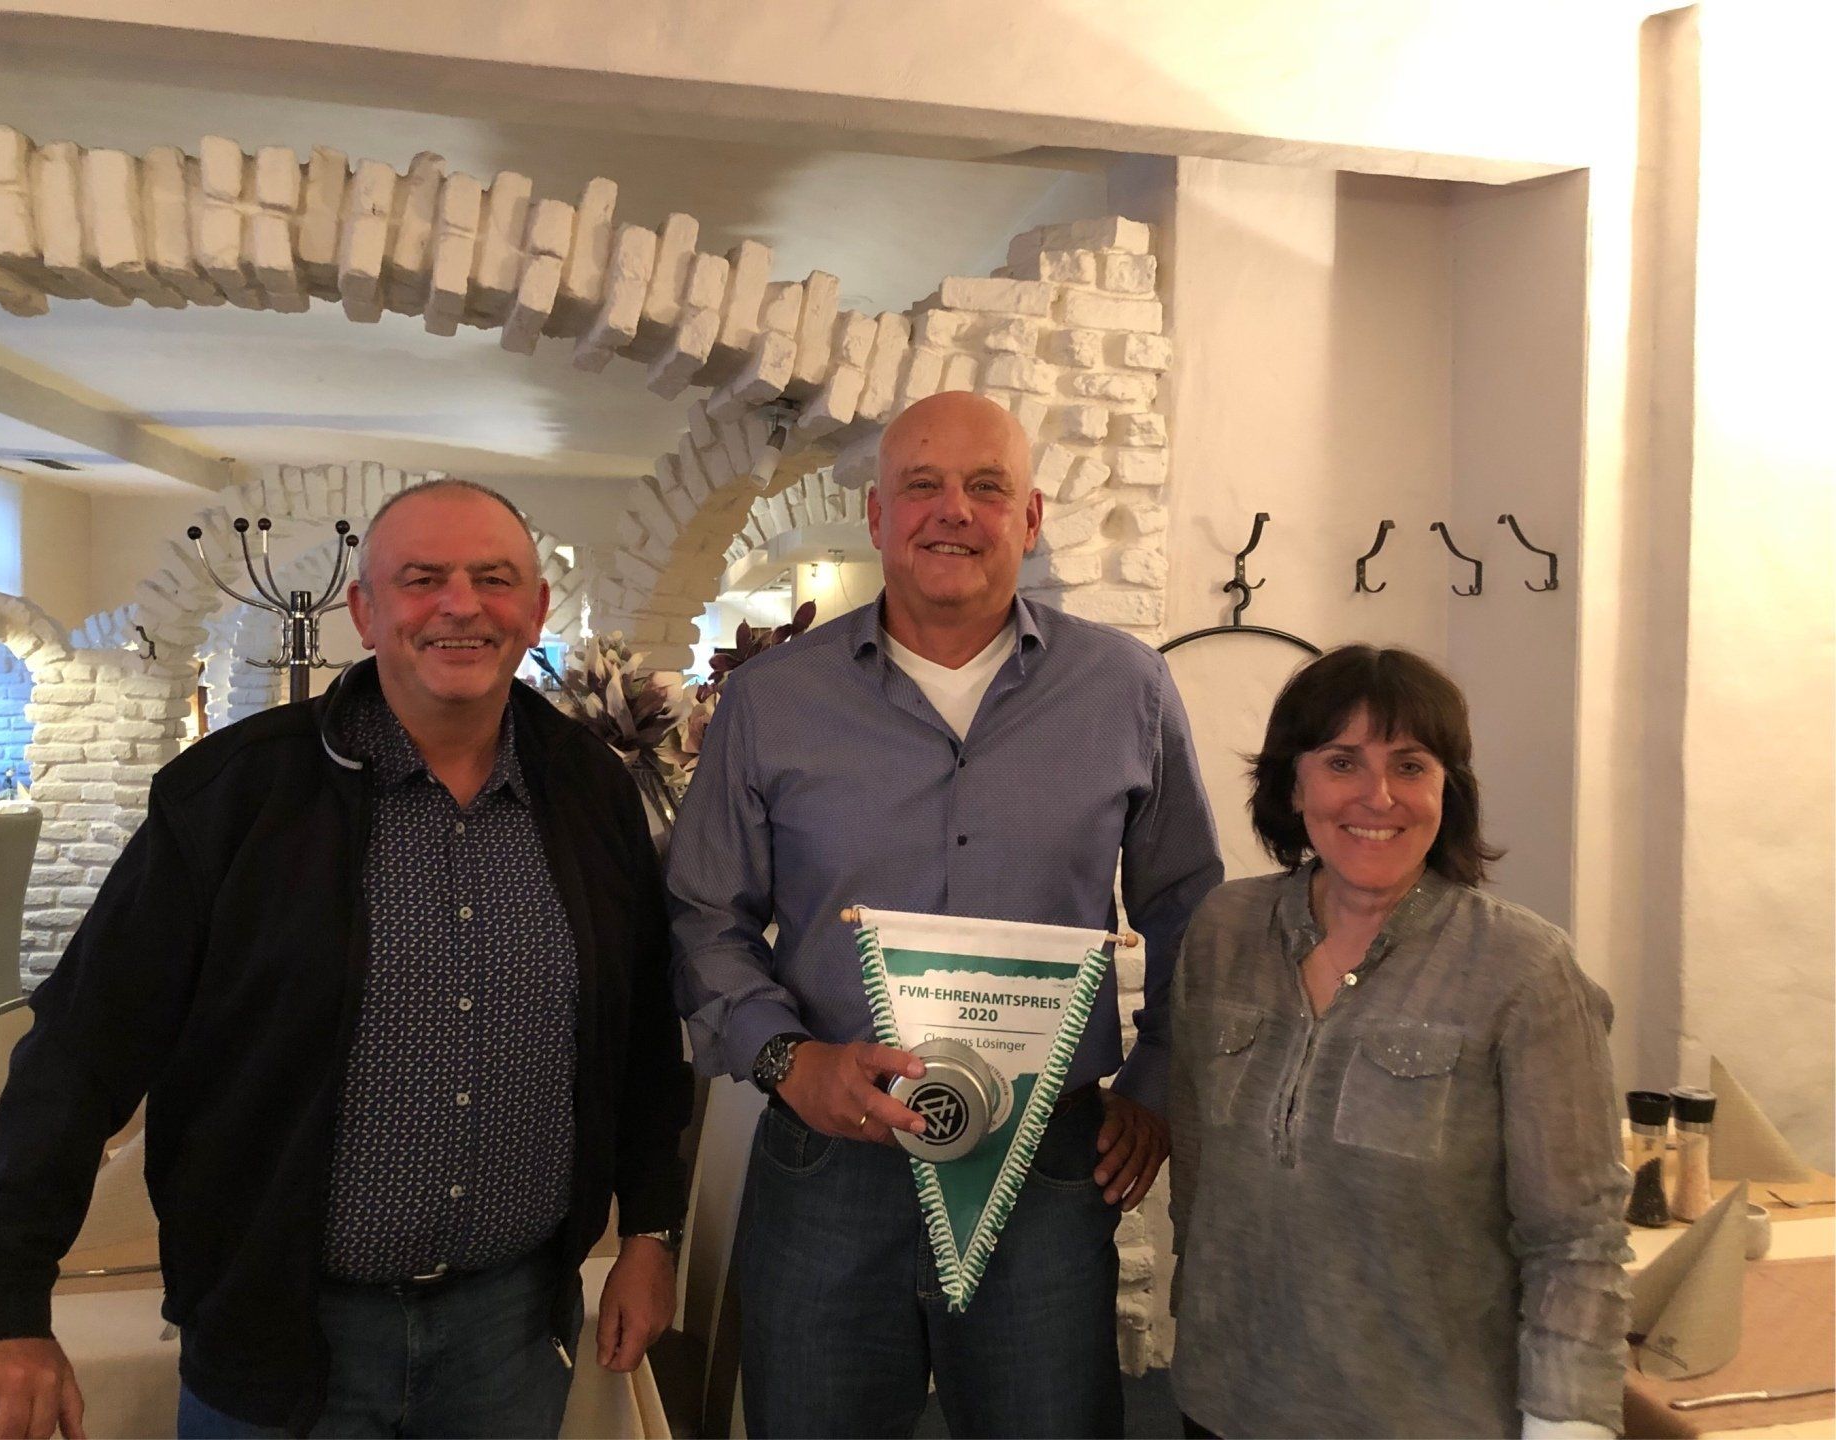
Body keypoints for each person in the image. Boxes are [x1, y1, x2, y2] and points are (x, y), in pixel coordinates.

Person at [0, 480, 690, 1439]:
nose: (461, 605)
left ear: (535, 609)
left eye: (494, 579)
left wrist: (651, 1231)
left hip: (507, 1332)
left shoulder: (589, 791)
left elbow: (640, 1033)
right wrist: (0, 1297)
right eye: (422, 579)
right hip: (282, 1331)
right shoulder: (234, 796)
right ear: (365, 611)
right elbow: (83, 1051)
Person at [669, 391, 1222, 1438]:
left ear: (1031, 516)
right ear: (878, 515)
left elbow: (1188, 902)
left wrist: (1156, 1081)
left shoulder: (1127, 689)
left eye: (986, 487)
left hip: (1047, 1164)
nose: (953, 510)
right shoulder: (772, 701)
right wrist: (789, 1061)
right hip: (832, 1158)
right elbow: (704, 915)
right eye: (921, 485)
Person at [1167, 645, 1629, 1439]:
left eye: (1410, 765)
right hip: (1226, 1399)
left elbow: (1578, 1237)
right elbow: (1199, 1175)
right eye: (1342, 761)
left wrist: (1567, 1424)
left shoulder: (1524, 969)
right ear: (1293, 785)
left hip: (1425, 1416)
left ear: (1447, 789)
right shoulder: (1224, 931)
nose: (1377, 796)